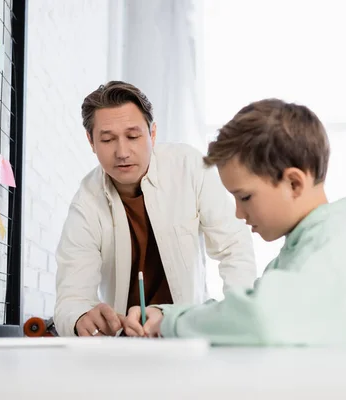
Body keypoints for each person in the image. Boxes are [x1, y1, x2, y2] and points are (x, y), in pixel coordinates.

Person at [123, 98, 346, 350]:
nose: (238, 213)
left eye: (245, 197)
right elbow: (248, 307)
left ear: (294, 183)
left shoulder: (344, 240)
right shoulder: (300, 248)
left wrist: (173, 325)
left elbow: (261, 317)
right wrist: (168, 314)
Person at [53, 81, 257, 337]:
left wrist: (240, 318)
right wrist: (80, 317)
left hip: (185, 332)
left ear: (152, 134)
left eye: (133, 136)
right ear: (91, 141)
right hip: (124, 341)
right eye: (107, 139)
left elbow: (233, 247)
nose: (122, 152)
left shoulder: (189, 167)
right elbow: (71, 297)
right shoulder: (86, 201)